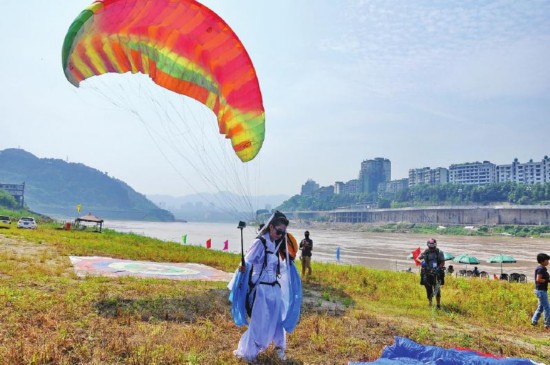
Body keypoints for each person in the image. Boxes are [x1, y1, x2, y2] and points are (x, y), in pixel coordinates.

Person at [234, 211, 291, 362]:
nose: (280, 234)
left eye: (283, 232)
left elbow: (281, 267)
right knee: (259, 322)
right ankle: (250, 352)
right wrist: (241, 271)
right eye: (278, 231)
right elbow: (246, 262)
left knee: (278, 321)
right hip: (261, 290)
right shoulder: (260, 242)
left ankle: (279, 348)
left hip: (274, 289)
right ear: (271, 227)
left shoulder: (276, 244)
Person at [418, 238, 445, 309]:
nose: (431, 248)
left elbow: (442, 262)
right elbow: (418, 258)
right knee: (428, 289)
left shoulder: (439, 252)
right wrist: (422, 262)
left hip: (436, 274)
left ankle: (438, 305)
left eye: (432, 247)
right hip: (427, 273)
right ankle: (430, 303)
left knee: (437, 289)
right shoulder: (426, 252)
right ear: (428, 246)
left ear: (435, 246)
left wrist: (438, 268)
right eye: (430, 247)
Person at [531, 253, 550, 330]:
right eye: (547, 260)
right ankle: (547, 325)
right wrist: (547, 280)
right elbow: (538, 279)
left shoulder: (541, 268)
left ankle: (534, 321)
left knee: (541, 308)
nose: (548, 262)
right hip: (541, 291)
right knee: (547, 308)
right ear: (542, 261)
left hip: (540, 290)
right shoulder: (541, 269)